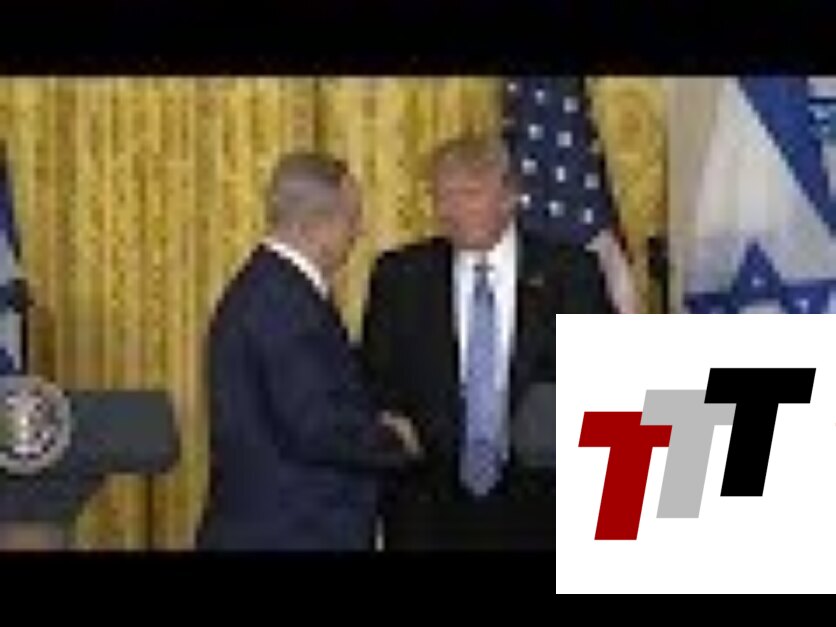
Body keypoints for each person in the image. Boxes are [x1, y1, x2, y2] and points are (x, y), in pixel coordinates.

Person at [360, 134, 614, 550]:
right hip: (427, 509)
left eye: (470, 194)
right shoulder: (400, 275)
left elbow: (599, 377)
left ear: (510, 197)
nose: (452, 211)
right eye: (443, 196)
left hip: (543, 507)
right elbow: (376, 378)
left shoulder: (572, 273)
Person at [197, 152, 420, 551]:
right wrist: (395, 439)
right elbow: (316, 427)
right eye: (353, 217)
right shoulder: (280, 301)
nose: (359, 231)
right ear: (320, 222)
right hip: (290, 533)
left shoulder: (278, 288)